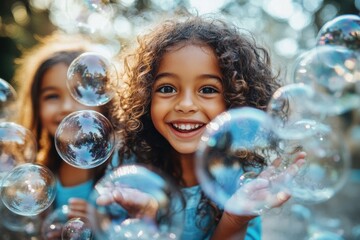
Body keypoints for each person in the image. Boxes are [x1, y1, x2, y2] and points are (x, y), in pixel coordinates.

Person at [98, 15, 306, 240]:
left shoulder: (244, 180)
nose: (186, 105)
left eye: (207, 90)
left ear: (235, 100)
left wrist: (235, 218)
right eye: (167, 88)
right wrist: (145, 218)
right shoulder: (127, 168)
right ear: (146, 97)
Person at [13, 31, 113, 238]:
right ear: (36, 106)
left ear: (104, 103)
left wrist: (103, 227)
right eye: (52, 96)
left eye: (81, 93)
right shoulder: (35, 174)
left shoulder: (122, 164)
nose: (67, 107)